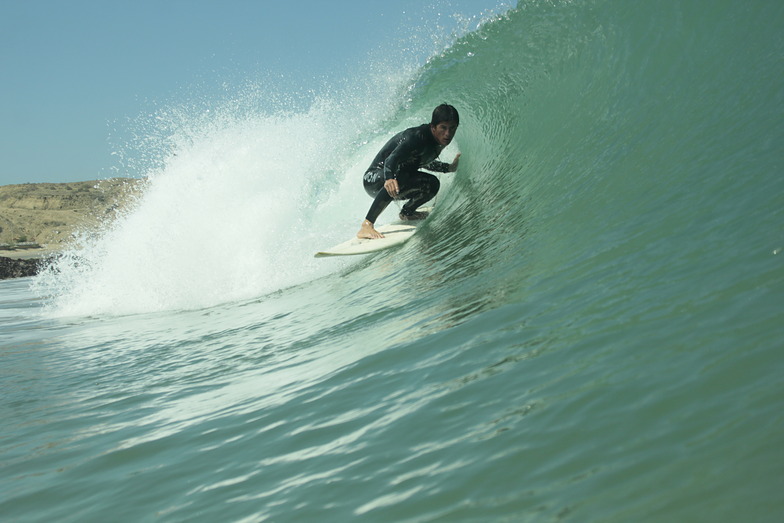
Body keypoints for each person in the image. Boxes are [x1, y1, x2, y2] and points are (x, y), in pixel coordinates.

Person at [357, 104, 461, 239]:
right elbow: (391, 160)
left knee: (432, 183)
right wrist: (389, 178)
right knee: (402, 174)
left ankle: (407, 212)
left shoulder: (436, 141)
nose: (448, 134)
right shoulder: (416, 137)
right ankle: (367, 225)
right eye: (443, 128)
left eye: (452, 128)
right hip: (373, 178)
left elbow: (422, 162)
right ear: (433, 127)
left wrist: (448, 168)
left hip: (395, 178)